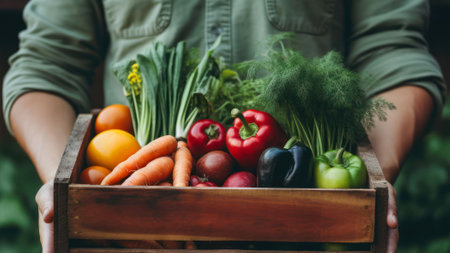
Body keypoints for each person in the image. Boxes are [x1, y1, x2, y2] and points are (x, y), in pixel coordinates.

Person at [2, 0, 446, 252]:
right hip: (140, 231)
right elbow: (45, 66)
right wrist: (60, 180)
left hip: (308, 231)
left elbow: (396, 56)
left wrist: (375, 175)